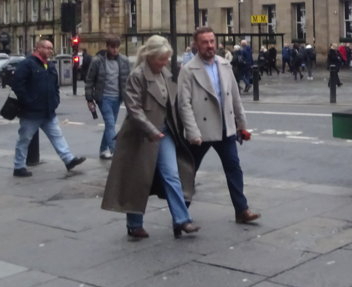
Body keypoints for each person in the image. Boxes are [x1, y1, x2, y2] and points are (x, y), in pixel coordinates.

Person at [101, 35, 199, 239]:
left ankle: (182, 220)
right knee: (137, 180)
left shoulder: (165, 73)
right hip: (141, 136)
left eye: (166, 59)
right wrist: (150, 130)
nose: (164, 63)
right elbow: (133, 108)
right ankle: (134, 224)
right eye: (160, 59)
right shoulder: (137, 75)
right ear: (150, 56)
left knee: (172, 175)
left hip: (164, 134)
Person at [178, 26, 260, 224]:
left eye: (212, 41)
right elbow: (184, 104)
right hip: (201, 130)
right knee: (189, 172)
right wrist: (192, 131)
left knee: (233, 168)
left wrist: (242, 125)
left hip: (225, 126)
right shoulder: (188, 70)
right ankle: (181, 216)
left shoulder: (224, 64)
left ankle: (242, 210)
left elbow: (234, 97)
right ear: (196, 45)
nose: (210, 46)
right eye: (205, 42)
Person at [10, 39, 86, 177]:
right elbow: (17, 84)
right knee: (25, 138)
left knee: (57, 136)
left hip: (48, 110)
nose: (50, 51)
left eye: (51, 48)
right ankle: (19, 166)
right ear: (38, 48)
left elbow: (54, 85)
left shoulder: (50, 65)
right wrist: (28, 100)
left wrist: (55, 100)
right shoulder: (27, 64)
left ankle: (68, 160)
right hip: (31, 112)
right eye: (47, 48)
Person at [85, 35, 130, 160]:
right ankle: (116, 152)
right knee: (110, 124)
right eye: (112, 47)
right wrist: (89, 99)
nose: (115, 50)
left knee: (110, 124)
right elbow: (89, 81)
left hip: (118, 97)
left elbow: (128, 80)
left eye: (117, 47)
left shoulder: (124, 61)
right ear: (107, 47)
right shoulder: (97, 61)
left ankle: (103, 150)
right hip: (103, 98)